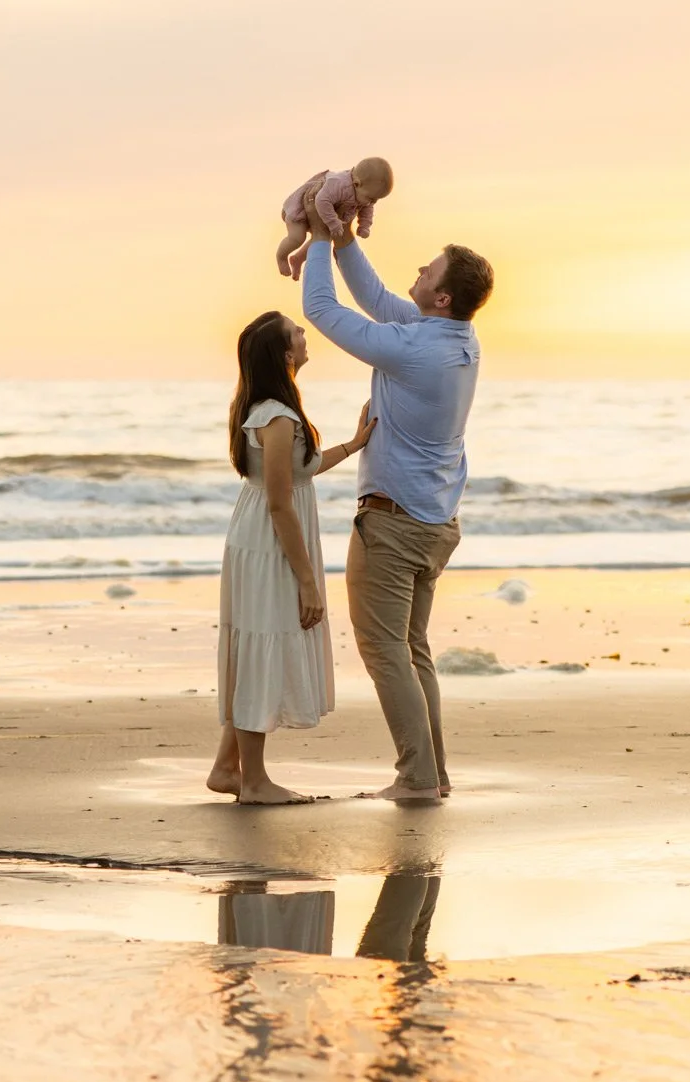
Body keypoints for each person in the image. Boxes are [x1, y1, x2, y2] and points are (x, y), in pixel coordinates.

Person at [300, 226, 494, 801]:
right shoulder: (458, 338)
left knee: (385, 651)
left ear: (441, 298)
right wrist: (340, 242)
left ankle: (415, 777)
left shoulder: (414, 349)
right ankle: (433, 775)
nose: (418, 272)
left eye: (428, 272)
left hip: (393, 524)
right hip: (434, 523)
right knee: (412, 651)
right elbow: (382, 301)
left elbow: (319, 308)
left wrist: (312, 239)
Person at [208, 310, 375, 805]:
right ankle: (255, 782)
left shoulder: (263, 409)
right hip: (269, 542)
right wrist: (307, 580)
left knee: (256, 642)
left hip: (256, 535)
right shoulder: (278, 418)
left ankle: (226, 767)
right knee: (264, 646)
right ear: (286, 355)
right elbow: (281, 503)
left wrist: (353, 445)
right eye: (297, 332)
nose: (305, 335)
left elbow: (298, 472)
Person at [275, 156, 395, 279]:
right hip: (300, 209)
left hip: (324, 214)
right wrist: (333, 222)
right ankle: (281, 256)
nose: (373, 202)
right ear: (356, 184)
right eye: (371, 198)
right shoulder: (339, 184)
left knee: (324, 237)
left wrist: (364, 226)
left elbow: (367, 210)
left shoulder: (365, 194)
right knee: (297, 237)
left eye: (377, 199)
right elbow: (321, 200)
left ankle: (298, 259)